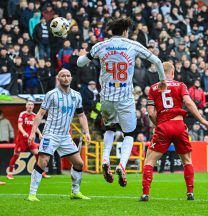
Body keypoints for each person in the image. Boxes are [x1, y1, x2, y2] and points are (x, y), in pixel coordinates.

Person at [77, 17, 167, 187]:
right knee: (129, 134)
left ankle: (105, 160)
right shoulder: (132, 45)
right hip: (125, 99)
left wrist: (82, 55)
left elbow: (80, 63)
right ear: (125, 31)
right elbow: (157, 61)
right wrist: (162, 80)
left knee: (110, 128)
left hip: (106, 99)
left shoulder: (100, 46)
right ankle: (121, 165)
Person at [140, 62, 208, 201]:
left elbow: (151, 113)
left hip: (163, 126)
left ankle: (145, 194)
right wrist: (202, 120)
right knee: (186, 160)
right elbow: (189, 103)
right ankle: (190, 192)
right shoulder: (180, 85)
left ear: (160, 72)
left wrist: (158, 124)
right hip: (179, 124)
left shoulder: (153, 88)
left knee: (149, 160)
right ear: (172, 73)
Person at [26, 69, 91, 202]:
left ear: (71, 78)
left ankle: (75, 192)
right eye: (63, 76)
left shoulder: (76, 95)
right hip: (50, 134)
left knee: (79, 163)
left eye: (68, 76)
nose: (66, 78)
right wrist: (33, 132)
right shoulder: (51, 94)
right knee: (43, 162)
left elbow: (81, 115)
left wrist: (87, 131)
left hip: (65, 136)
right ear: (58, 78)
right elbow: (40, 114)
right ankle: (32, 194)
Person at [7, 101, 50, 180]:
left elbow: (35, 127)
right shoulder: (22, 114)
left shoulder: (34, 115)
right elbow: (19, 125)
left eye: (32, 105)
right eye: (29, 104)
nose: (30, 106)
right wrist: (24, 133)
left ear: (33, 107)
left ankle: (41, 172)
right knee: (16, 155)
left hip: (30, 140)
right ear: (26, 106)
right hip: (21, 139)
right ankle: (9, 173)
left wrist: (40, 134)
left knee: (37, 154)